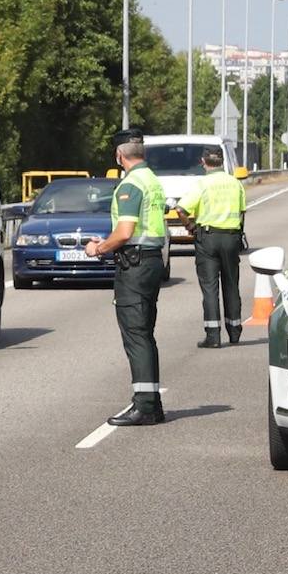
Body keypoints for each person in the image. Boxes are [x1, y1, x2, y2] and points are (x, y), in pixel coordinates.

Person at [85, 128, 168, 426]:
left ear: (119, 156)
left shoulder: (130, 185)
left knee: (136, 334)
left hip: (135, 264)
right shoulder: (152, 180)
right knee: (144, 332)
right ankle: (152, 403)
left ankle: (144, 405)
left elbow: (125, 231)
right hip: (151, 260)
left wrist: (98, 248)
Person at [176, 147, 246, 347]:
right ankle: (234, 332)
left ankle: (213, 336)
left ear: (203, 162)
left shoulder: (202, 184)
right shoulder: (235, 184)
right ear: (223, 162)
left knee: (210, 288)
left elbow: (180, 209)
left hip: (208, 237)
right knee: (231, 284)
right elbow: (242, 212)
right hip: (231, 237)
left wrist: (190, 227)